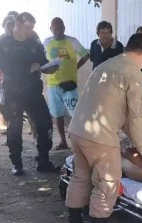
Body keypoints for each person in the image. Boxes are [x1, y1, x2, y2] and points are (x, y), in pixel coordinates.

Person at [65, 33, 142, 223]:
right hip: (100, 135)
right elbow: (136, 115)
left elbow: (111, 105)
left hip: (78, 130)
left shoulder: (105, 66)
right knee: (107, 181)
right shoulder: (133, 74)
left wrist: (139, 139)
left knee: (81, 176)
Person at [0, 12, 60, 176]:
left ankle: (43, 161)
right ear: (18, 24)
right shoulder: (5, 43)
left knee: (44, 125)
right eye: (28, 27)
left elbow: (42, 60)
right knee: (15, 128)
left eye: (32, 27)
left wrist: (50, 66)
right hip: (13, 92)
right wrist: (26, 69)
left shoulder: (34, 42)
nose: (30, 31)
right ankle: (17, 163)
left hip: (33, 92)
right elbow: (4, 66)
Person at [43, 17, 90, 150]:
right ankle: (63, 142)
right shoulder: (46, 42)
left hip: (70, 84)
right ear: (51, 29)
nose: (57, 30)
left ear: (64, 28)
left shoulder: (72, 41)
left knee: (75, 114)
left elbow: (86, 55)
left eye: (60, 28)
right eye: (55, 28)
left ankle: (78, 143)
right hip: (53, 85)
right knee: (57, 114)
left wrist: (75, 67)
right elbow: (42, 58)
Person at [0, 15, 16, 133]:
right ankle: (10, 132)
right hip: (4, 78)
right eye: (7, 24)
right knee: (5, 106)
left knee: (24, 108)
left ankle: (35, 136)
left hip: (22, 80)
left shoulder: (25, 39)